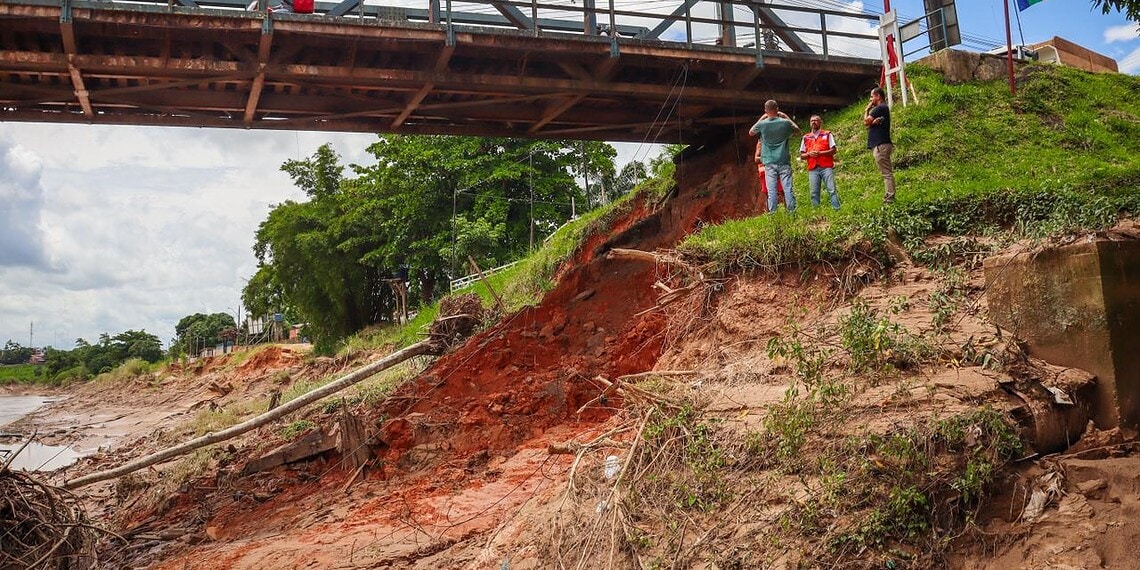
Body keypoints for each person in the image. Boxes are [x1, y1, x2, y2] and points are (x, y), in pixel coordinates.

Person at [749, 100, 800, 213]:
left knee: (771, 191)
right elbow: (797, 130)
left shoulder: (762, 124)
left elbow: (751, 132)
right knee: (788, 189)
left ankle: (773, 215)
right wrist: (785, 116)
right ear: (777, 109)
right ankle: (792, 212)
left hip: (769, 162)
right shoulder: (785, 123)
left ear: (766, 111)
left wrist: (762, 118)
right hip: (783, 161)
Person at [799, 115, 840, 210]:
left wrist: (819, 153)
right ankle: (817, 213)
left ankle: (836, 209)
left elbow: (833, 150)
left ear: (820, 122)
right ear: (809, 123)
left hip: (826, 167)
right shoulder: (806, 137)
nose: (813, 122)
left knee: (832, 189)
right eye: (811, 121)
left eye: (816, 120)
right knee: (814, 192)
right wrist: (809, 154)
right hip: (813, 168)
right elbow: (802, 155)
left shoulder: (827, 134)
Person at [864, 87, 895, 204]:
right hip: (881, 144)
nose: (871, 99)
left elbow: (866, 121)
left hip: (881, 145)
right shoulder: (882, 109)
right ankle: (889, 195)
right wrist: (871, 122)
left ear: (878, 96)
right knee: (886, 172)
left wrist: (866, 110)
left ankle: (890, 197)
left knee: (886, 173)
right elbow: (867, 125)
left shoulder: (879, 108)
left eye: (872, 96)